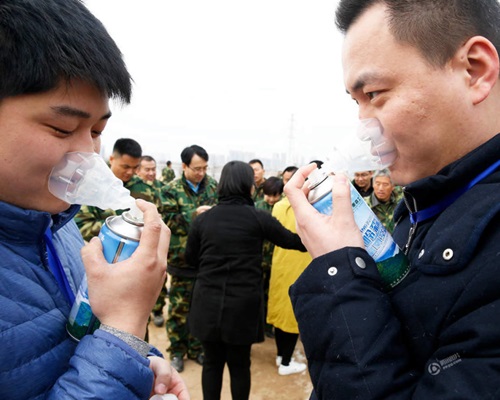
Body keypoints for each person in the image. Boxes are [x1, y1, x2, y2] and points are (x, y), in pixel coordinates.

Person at [284, 0, 500, 399]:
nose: (364, 129)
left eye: (375, 94)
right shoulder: (426, 201)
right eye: (356, 102)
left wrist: (339, 271)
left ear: (475, 71)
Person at [0, 1, 188, 399]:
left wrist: (136, 358)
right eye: (62, 128)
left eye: (97, 130)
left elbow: (83, 333)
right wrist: (124, 327)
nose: (87, 155)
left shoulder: (54, 225)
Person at [185, 161, 306, 400]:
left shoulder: (203, 220)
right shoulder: (258, 218)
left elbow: (190, 259)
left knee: (211, 363)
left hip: (207, 301)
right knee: (240, 365)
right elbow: (295, 242)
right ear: (248, 186)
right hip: (242, 306)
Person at [161, 144, 218, 372]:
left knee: (201, 309)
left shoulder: (213, 186)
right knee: (178, 309)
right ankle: (177, 350)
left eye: (204, 168)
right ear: (184, 166)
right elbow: (165, 220)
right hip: (181, 259)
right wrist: (192, 216)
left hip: (206, 260)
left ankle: (196, 348)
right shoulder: (170, 190)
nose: (201, 173)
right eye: (196, 169)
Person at [75, 138, 142, 241]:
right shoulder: (92, 185)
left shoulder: (143, 187)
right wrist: (120, 225)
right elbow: (81, 227)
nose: (130, 172)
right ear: (111, 159)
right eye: (125, 166)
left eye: (135, 168)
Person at [130, 155, 168, 328]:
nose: (152, 173)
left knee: (159, 276)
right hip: (137, 242)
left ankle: (158, 310)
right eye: (147, 169)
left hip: (159, 240)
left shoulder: (162, 187)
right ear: (138, 170)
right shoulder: (131, 188)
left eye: (154, 169)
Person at [254, 176, 285, 338]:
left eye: (275, 195)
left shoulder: (283, 208)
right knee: (257, 294)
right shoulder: (257, 207)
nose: (272, 199)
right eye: (268, 195)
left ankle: (268, 325)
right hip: (258, 260)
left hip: (276, 260)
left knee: (272, 294)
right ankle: (257, 325)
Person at [365, 169, 401, 233]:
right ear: (373, 184)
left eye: (385, 184)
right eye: (378, 184)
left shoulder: (400, 202)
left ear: (392, 186)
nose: (381, 188)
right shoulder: (364, 205)